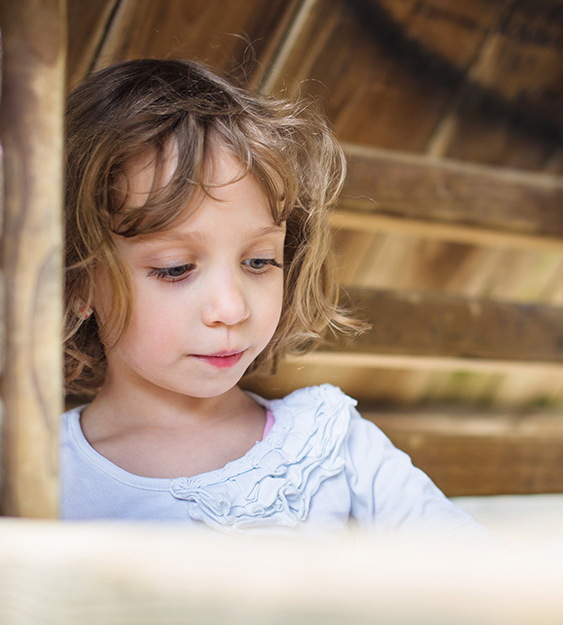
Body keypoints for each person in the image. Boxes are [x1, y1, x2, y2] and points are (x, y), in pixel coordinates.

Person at [60, 59, 484, 536]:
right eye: (176, 269)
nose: (233, 308)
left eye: (259, 262)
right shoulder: (39, 473)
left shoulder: (327, 445)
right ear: (78, 282)